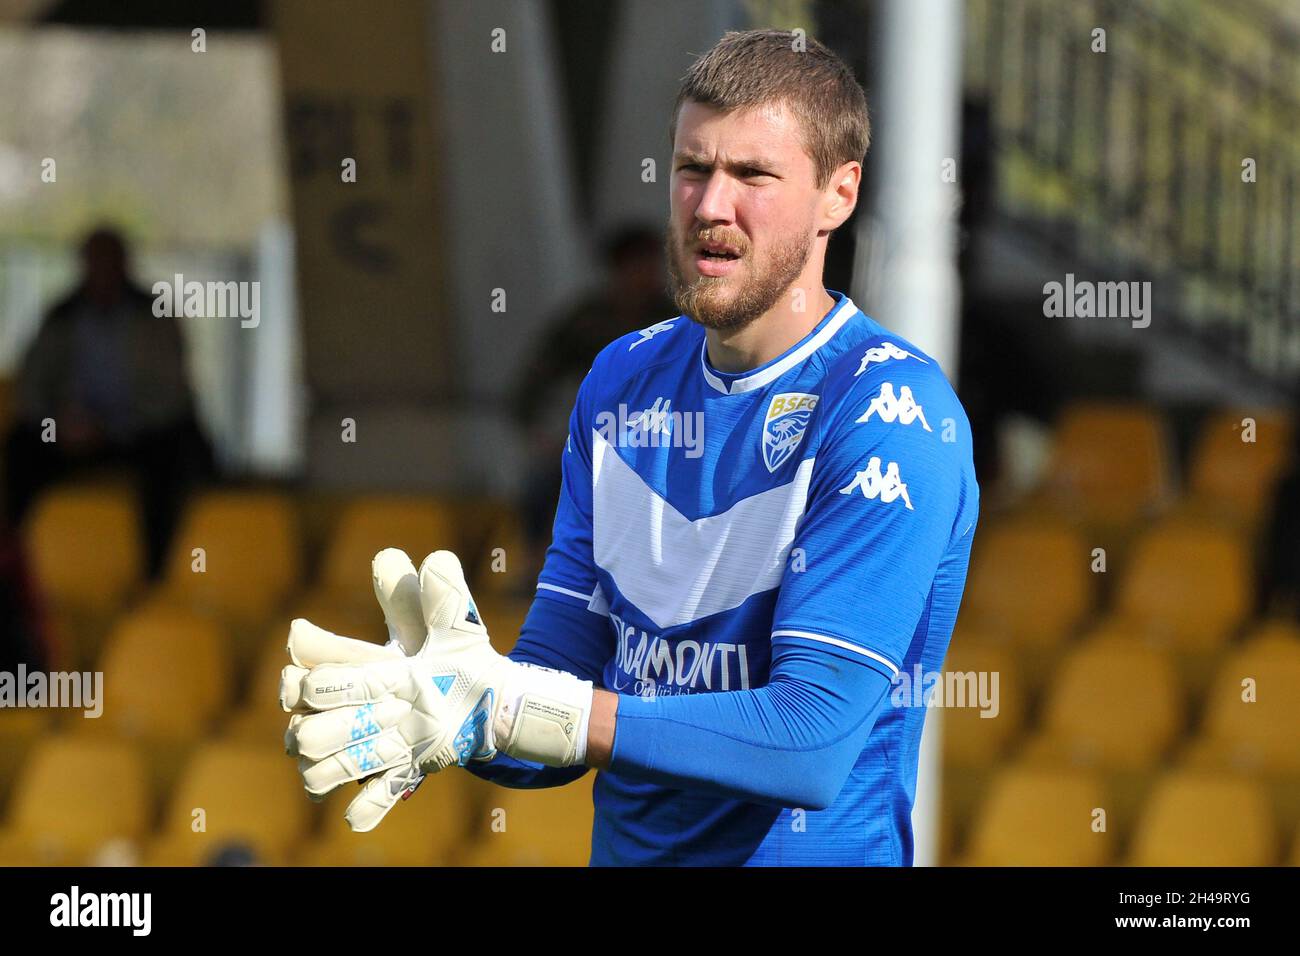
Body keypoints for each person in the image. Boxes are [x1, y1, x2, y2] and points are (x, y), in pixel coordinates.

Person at [281, 29, 979, 866]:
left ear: (839, 193)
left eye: (753, 175)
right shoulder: (621, 380)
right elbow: (559, 690)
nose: (712, 206)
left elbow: (807, 741)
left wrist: (529, 709)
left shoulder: (888, 410)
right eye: (693, 168)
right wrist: (448, 705)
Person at [3, 227, 213, 576]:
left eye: (108, 261)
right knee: (20, 448)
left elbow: (174, 394)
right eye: (93, 261)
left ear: (124, 264)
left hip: (139, 433)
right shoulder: (61, 317)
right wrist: (59, 423)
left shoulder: (154, 316)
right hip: (70, 431)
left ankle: (156, 574)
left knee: (174, 456)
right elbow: (33, 389)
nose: (101, 270)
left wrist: (114, 427)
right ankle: (14, 565)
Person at [511, 225, 675, 585]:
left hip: (660, 436)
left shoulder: (674, 319)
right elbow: (534, 380)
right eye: (634, 266)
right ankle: (538, 568)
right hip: (588, 431)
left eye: (650, 265)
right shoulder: (586, 321)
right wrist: (538, 430)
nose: (644, 276)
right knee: (543, 483)